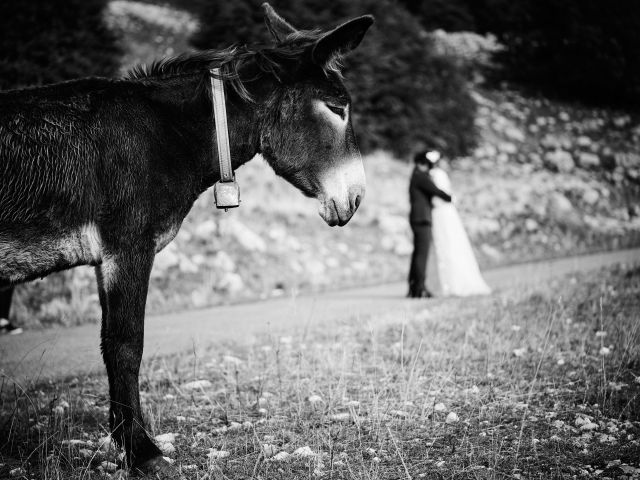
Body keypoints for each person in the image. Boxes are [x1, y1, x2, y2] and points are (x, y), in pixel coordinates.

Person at [425, 153, 491, 297]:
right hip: (443, 212)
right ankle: (449, 283)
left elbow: (438, 194)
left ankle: (448, 284)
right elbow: (444, 194)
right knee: (450, 244)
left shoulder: (432, 175)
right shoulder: (438, 174)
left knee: (446, 245)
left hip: (440, 213)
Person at [408, 150, 453, 298]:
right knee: (422, 255)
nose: (429, 168)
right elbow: (436, 191)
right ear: (421, 164)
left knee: (417, 254)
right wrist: (450, 197)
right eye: (427, 165)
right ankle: (419, 288)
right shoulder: (421, 177)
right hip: (422, 219)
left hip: (417, 218)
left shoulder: (416, 176)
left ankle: (414, 287)